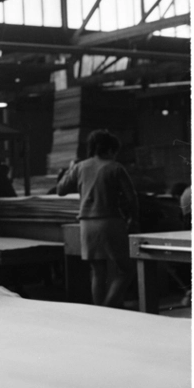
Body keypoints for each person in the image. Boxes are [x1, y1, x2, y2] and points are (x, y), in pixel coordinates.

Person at [57, 129, 139, 308]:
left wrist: (71, 168)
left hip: (86, 224)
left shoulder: (79, 167)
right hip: (110, 222)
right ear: (110, 149)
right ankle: (108, 307)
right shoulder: (115, 167)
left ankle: (100, 313)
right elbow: (131, 197)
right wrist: (133, 219)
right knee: (126, 270)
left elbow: (60, 190)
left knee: (98, 272)